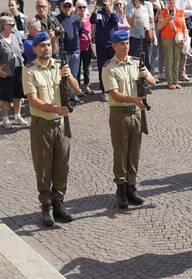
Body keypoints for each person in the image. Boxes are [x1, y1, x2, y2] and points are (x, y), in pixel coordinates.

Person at [23, 32, 81, 227]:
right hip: (42, 125)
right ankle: (46, 205)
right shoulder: (30, 70)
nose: (46, 48)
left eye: (48, 45)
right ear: (35, 49)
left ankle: (59, 202)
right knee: (43, 167)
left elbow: (76, 88)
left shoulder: (60, 66)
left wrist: (69, 76)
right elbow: (33, 100)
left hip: (61, 124)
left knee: (62, 166)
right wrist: (55, 109)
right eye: (42, 46)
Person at [102, 30, 157, 208]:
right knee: (121, 152)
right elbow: (114, 94)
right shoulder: (109, 67)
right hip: (119, 114)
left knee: (134, 152)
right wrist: (134, 99)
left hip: (136, 114)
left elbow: (153, 82)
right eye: (122, 44)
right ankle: (121, 189)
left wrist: (146, 76)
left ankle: (132, 187)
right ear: (114, 46)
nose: (126, 46)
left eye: (127, 43)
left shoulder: (136, 63)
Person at [0, 15, 27, 129]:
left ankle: (17, 116)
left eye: (13, 24)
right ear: (3, 26)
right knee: (5, 97)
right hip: (6, 71)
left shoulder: (14, 36)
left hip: (18, 68)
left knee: (18, 94)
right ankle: (5, 118)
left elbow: (21, 48)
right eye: (10, 24)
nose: (13, 26)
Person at [91, 0, 119, 101]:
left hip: (112, 44)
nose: (104, 3)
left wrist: (110, 10)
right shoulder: (99, 13)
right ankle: (103, 91)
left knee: (114, 67)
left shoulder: (114, 12)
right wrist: (94, 9)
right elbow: (92, 21)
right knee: (102, 67)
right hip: (100, 45)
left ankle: (114, 89)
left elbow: (115, 21)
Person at [157, 0, 189, 89]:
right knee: (169, 59)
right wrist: (168, 19)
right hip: (167, 38)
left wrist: (185, 37)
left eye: (174, 1)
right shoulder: (163, 11)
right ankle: (170, 82)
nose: (172, 2)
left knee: (177, 60)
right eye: (170, 1)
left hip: (178, 38)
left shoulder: (180, 12)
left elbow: (185, 27)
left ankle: (175, 81)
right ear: (167, 2)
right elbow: (159, 26)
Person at [58, 0, 84, 102]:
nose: (67, 8)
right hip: (64, 53)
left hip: (75, 51)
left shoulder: (77, 18)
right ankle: (65, 97)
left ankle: (72, 95)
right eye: (65, 6)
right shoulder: (57, 19)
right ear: (61, 6)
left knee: (74, 75)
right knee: (64, 76)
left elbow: (80, 31)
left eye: (69, 6)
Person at [127, 0, 155, 69]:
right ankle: (137, 78)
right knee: (135, 60)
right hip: (134, 37)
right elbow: (129, 22)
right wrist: (137, 12)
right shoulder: (129, 5)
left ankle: (147, 78)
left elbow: (151, 19)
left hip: (147, 35)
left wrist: (143, 11)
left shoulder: (148, 4)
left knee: (147, 60)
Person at [76, 0, 95, 94]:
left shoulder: (88, 18)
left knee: (86, 68)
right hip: (77, 47)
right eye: (80, 7)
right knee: (77, 68)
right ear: (76, 8)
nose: (82, 9)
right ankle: (78, 88)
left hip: (87, 46)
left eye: (84, 7)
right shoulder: (74, 19)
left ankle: (87, 86)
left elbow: (91, 30)